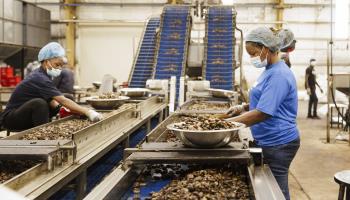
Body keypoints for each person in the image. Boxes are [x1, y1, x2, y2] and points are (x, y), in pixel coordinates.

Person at [226, 27, 300, 200]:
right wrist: (243, 107)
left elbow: (263, 113)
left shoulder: (279, 75)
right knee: (274, 188)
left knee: (276, 192)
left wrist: (228, 125)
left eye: (253, 53)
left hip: (278, 142)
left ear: (266, 48)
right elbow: (267, 99)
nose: (252, 58)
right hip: (269, 138)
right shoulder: (269, 70)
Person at [0, 42, 103, 131]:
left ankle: (68, 123)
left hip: (26, 114)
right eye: (57, 65)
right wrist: (87, 111)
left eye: (61, 65)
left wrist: (63, 109)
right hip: (11, 119)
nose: (59, 68)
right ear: (46, 62)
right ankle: (44, 136)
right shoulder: (39, 78)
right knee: (40, 104)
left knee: (67, 97)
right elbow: (62, 101)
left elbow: (52, 99)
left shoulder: (46, 75)